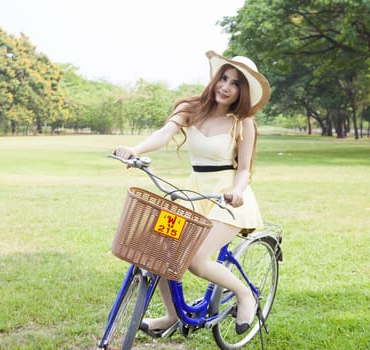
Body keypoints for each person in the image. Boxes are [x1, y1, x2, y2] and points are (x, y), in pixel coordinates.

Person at [113, 51, 271, 336]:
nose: (226, 86)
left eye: (235, 83)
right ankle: (173, 315)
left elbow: (244, 170)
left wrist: (236, 191)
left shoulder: (243, 122)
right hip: (192, 194)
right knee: (157, 250)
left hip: (229, 200)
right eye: (224, 78)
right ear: (215, 78)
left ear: (242, 91)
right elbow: (163, 134)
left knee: (197, 260)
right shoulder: (190, 108)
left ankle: (245, 295)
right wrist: (135, 150)